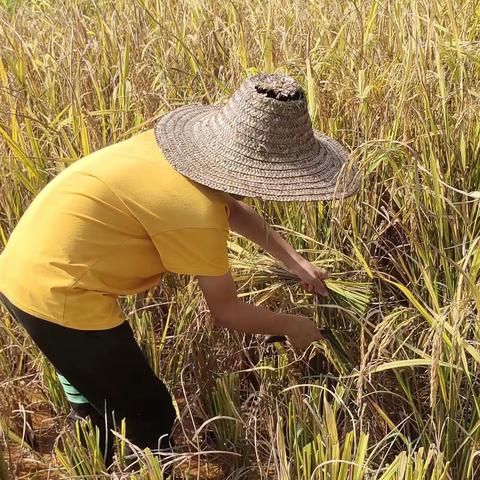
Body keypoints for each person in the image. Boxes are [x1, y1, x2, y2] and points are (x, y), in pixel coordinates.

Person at [0, 72, 359, 465]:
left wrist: (296, 261)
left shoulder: (170, 156)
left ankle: (91, 455)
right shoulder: (194, 213)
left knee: (95, 390)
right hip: (60, 292)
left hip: (23, 265)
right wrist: (292, 326)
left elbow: (232, 209)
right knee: (148, 411)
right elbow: (226, 312)